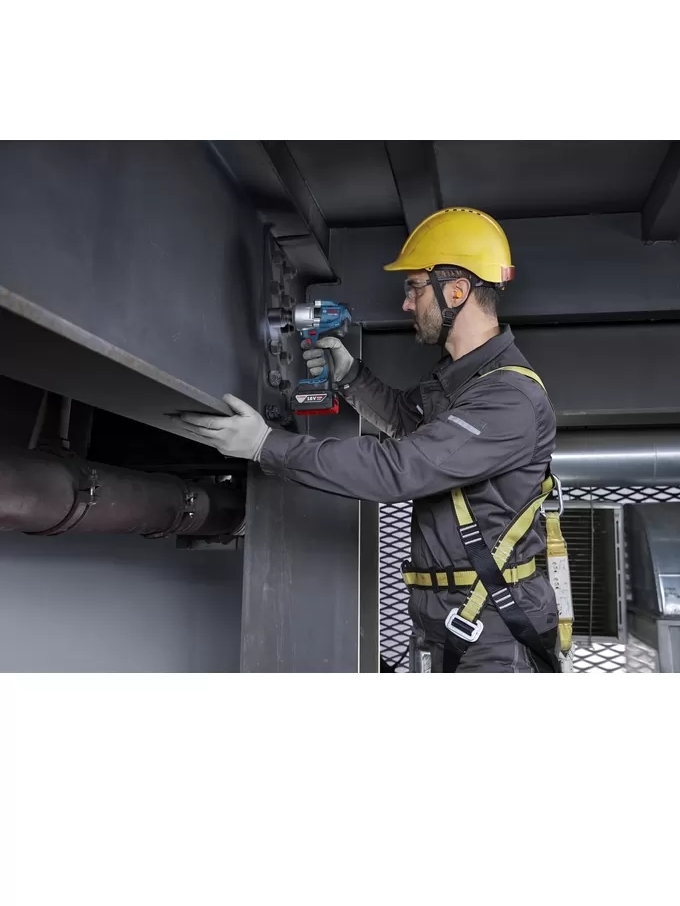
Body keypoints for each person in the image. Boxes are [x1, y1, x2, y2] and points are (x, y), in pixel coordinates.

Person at [179, 207, 560, 673]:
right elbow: (407, 422)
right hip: (455, 621)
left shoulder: (508, 398)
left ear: (457, 291)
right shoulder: (460, 381)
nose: (407, 304)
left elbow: (397, 469)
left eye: (415, 288)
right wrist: (349, 376)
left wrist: (266, 445)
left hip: (494, 632)